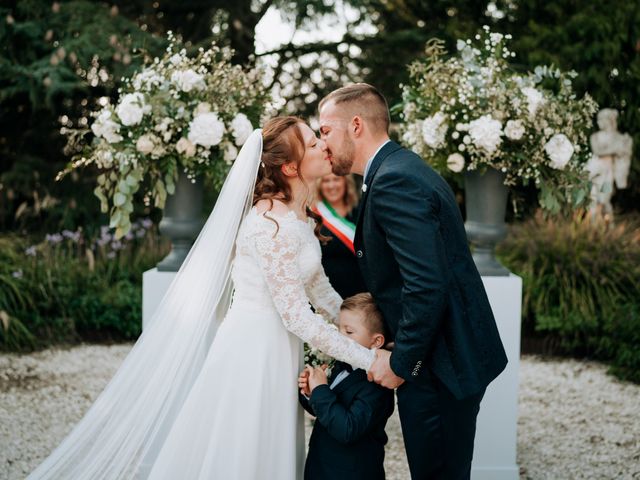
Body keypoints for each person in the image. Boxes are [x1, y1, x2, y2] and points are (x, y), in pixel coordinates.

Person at [28, 117, 377, 480]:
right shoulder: (269, 224)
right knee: (242, 446)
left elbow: (319, 290)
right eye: (312, 142)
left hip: (277, 346)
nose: (323, 144)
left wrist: (364, 329)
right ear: (290, 166)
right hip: (254, 350)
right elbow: (297, 317)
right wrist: (368, 359)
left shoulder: (295, 215)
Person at [319, 83, 508, 479]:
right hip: (442, 355)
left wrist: (403, 362)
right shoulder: (397, 170)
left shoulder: (394, 180)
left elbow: (426, 283)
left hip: (442, 365)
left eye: (325, 131)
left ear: (356, 125)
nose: (323, 144)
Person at [298, 292, 394, 480]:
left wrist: (321, 390)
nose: (339, 338)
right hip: (320, 466)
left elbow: (347, 429)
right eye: (339, 329)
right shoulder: (340, 365)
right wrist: (311, 393)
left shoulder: (375, 385)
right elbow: (325, 411)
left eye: (348, 332)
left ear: (376, 341)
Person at [313, 173, 367, 298]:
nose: (331, 185)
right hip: (327, 296)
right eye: (326, 181)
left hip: (361, 294)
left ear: (345, 182)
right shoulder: (313, 216)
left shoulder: (361, 211)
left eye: (336, 179)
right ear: (320, 185)